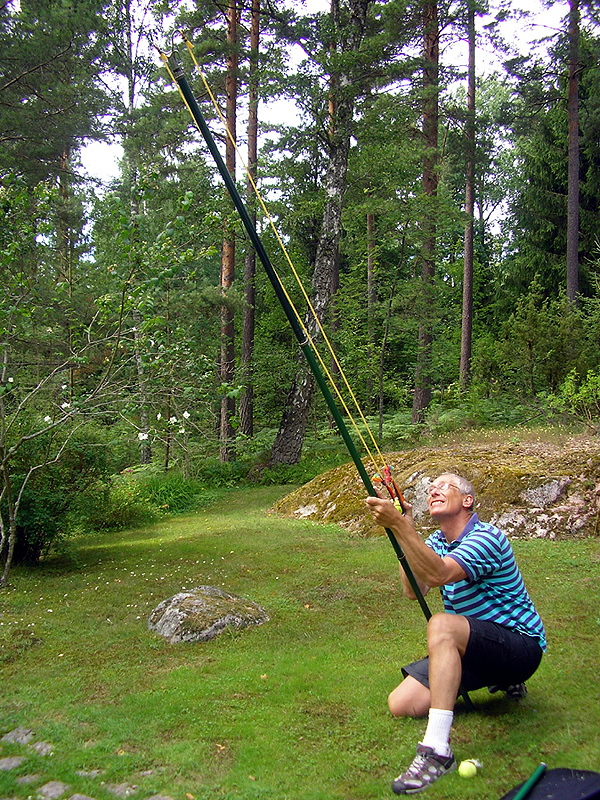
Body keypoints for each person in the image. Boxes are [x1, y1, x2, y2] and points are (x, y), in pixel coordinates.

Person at [366, 473, 546, 795]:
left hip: (519, 646)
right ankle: (491, 680)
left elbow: (439, 574)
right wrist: (400, 532)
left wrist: (402, 526)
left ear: (467, 500)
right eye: (430, 488)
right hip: (473, 647)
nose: (432, 490)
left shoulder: (487, 537)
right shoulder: (435, 542)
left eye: (443, 486)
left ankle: (436, 749)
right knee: (401, 704)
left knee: (441, 624)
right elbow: (414, 590)